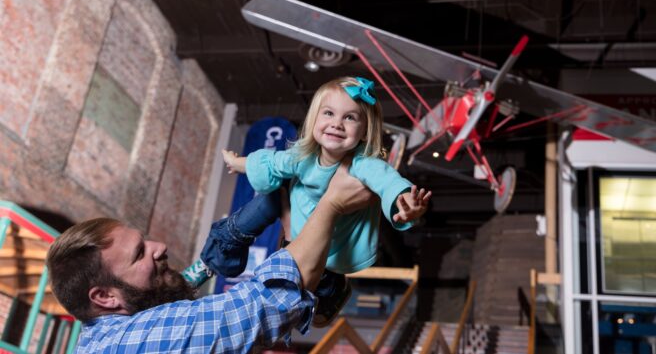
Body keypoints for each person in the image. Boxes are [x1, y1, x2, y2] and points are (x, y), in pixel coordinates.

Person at [46, 159, 374, 353]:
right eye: (140, 253)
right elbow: (265, 305)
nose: (159, 246)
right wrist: (332, 203)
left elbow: (170, 295)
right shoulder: (131, 345)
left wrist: (221, 248)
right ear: (104, 297)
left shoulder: (108, 331)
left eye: (144, 240)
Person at [218, 76, 432, 326]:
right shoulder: (302, 156)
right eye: (328, 113)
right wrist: (237, 162)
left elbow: (388, 181)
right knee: (270, 209)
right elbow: (271, 162)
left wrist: (405, 202)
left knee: (318, 306)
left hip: (335, 247)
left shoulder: (363, 165)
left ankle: (333, 295)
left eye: (350, 117)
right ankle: (219, 253)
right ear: (314, 119)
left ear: (365, 131)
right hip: (298, 236)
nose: (336, 124)